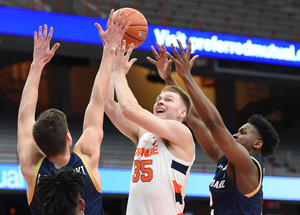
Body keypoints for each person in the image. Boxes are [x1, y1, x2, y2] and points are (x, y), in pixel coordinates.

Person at [147, 39, 280, 215]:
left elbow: (214, 125)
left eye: (243, 132)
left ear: (257, 144)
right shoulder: (225, 160)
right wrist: (168, 77)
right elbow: (193, 118)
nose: (235, 135)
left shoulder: (250, 165)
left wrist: (186, 76)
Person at [17, 9, 130, 215]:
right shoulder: (86, 156)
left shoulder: (31, 167)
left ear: (38, 144)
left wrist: (35, 66)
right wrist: (109, 50)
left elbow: (25, 116)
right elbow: (97, 101)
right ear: (69, 137)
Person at [104, 41, 195, 215]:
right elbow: (108, 104)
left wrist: (119, 72)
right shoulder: (144, 133)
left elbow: (129, 110)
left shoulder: (182, 132)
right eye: (158, 99)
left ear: (182, 112)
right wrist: (109, 55)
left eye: (168, 100)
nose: (160, 101)